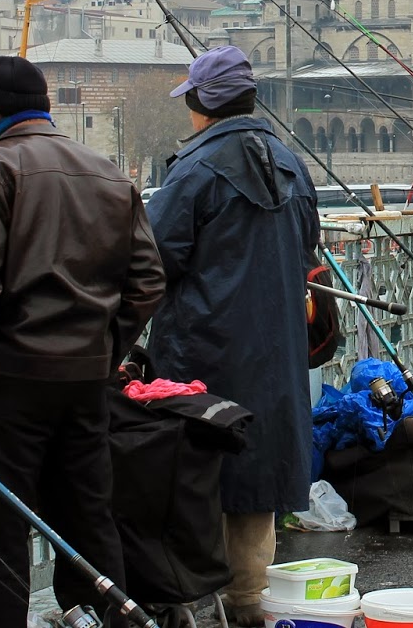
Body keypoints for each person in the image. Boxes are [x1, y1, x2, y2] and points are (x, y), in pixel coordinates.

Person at [0, 56, 165, 628]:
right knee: (88, 520)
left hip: (5, 382)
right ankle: (111, 620)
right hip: (84, 379)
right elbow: (148, 280)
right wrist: (107, 348)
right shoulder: (107, 173)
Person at [144, 45, 317, 626]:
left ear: (202, 104)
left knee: (198, 468)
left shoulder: (192, 170)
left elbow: (154, 261)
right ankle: (250, 601)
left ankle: (198, 602)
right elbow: (306, 250)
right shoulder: (291, 164)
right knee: (257, 466)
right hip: (278, 348)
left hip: (203, 349)